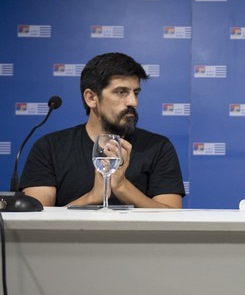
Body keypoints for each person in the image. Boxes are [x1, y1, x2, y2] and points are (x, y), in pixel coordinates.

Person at [20, 52, 185, 208]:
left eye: (136, 93)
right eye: (121, 92)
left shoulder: (158, 147)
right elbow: (35, 219)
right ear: (91, 98)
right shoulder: (49, 148)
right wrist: (92, 197)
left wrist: (122, 186)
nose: (133, 102)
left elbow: (172, 217)